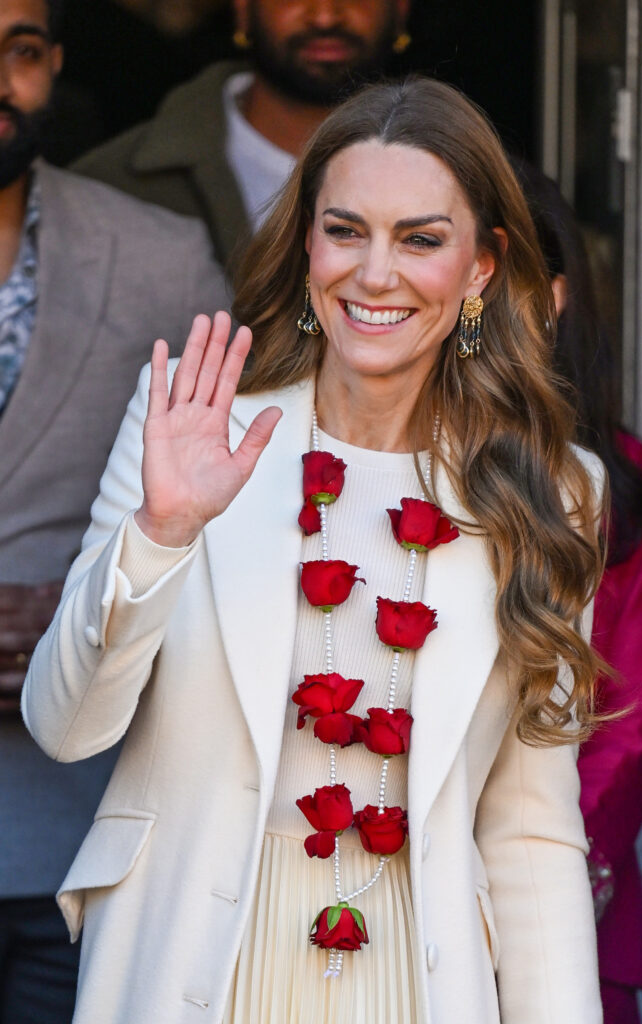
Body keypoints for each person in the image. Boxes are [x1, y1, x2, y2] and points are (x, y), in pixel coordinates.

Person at [24, 78, 605, 1024]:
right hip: (192, 970)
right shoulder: (193, 429)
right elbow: (65, 727)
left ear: (481, 269)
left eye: (420, 239)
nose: (374, 274)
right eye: (345, 230)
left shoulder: (555, 489)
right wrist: (162, 534)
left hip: (416, 981)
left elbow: (532, 829)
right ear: (306, 245)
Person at [0, 0, 229, 1019]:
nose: (0, 79)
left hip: (80, 831)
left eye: (20, 50)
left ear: (53, 65)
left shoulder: (163, 255)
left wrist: (86, 604)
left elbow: (237, 523)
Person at [513, 159, 642, 1024]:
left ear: (550, 296)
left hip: (548, 907)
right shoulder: (326, 466)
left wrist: (533, 875)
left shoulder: (613, 484)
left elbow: (628, 709)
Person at [70, 0, 411, 265]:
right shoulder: (107, 187)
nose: (324, 16)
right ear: (244, 9)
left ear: (400, 9)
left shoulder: (458, 172)